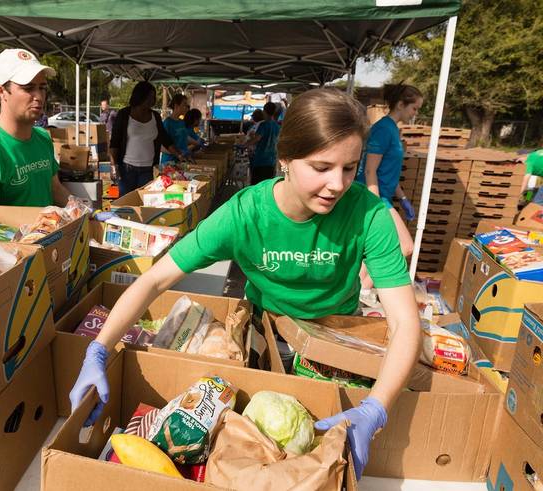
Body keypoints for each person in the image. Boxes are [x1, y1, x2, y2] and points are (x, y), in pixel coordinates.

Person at [69, 88, 421, 480]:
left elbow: (406, 322)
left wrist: (376, 406)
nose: (337, 184)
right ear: (284, 159)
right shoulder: (243, 215)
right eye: (321, 167)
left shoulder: (368, 214)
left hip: (335, 351)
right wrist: (98, 350)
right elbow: (154, 279)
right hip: (264, 341)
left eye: (350, 168)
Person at [0, 48, 72, 207]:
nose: (39, 96)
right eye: (28, 88)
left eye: (42, 87)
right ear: (2, 91)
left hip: (51, 231)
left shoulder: (43, 138)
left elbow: (54, 188)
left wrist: (86, 211)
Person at [354, 84, 421, 289]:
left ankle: (358, 292)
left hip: (383, 195)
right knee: (404, 246)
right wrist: (377, 207)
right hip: (373, 196)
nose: (415, 114)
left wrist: (402, 198)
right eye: (414, 108)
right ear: (400, 104)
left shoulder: (391, 129)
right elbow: (370, 170)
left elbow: (388, 170)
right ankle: (360, 290)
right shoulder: (383, 129)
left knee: (373, 252)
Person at [109, 81, 185, 196]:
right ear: (140, 96)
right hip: (127, 170)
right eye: (149, 97)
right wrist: (113, 166)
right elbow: (114, 143)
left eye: (153, 97)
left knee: (146, 202)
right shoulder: (124, 115)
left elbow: (165, 139)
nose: (152, 100)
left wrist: (179, 154)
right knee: (126, 204)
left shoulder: (155, 116)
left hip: (147, 170)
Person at [247, 101, 280, 185]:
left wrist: (245, 144)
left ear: (264, 112)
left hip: (260, 161)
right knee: (267, 185)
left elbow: (257, 138)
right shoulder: (277, 126)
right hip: (272, 162)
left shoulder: (264, 125)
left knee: (256, 186)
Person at [160, 93, 191, 167]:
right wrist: (178, 154)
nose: (187, 107)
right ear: (176, 106)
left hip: (181, 162)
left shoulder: (182, 122)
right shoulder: (167, 123)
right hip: (169, 163)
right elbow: (161, 147)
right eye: (184, 105)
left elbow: (185, 138)